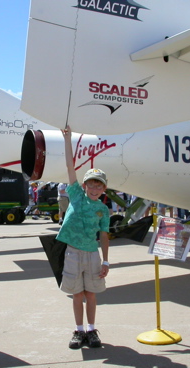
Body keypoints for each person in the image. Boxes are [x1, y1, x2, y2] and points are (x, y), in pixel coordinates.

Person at [57, 125, 110, 350]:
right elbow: (70, 165)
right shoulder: (76, 194)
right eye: (91, 184)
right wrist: (67, 139)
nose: (95, 188)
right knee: (77, 294)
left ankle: (92, 330)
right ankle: (78, 331)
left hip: (92, 253)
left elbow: (104, 235)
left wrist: (106, 260)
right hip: (72, 252)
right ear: (85, 185)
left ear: (103, 189)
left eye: (99, 185)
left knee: (91, 293)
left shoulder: (103, 210)